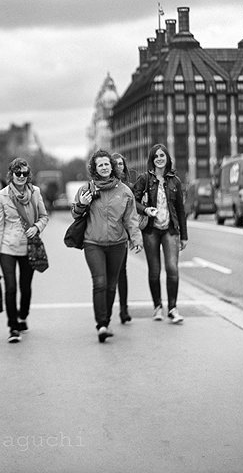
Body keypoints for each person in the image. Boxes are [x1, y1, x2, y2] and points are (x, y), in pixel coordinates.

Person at [72, 149, 142, 343]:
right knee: (100, 282)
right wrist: (81, 204)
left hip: (118, 244)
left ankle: (107, 321)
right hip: (93, 242)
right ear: (94, 168)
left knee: (112, 285)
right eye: (99, 164)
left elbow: (131, 219)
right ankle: (101, 324)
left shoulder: (124, 191)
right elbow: (76, 214)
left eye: (106, 164)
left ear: (112, 166)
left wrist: (136, 238)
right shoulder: (87, 189)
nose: (104, 167)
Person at [0, 158, 49, 343]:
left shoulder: (35, 192)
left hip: (29, 246)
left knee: (25, 287)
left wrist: (37, 227)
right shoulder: (2, 196)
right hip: (7, 247)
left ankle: (23, 316)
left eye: (24, 173)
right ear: (11, 174)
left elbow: (44, 216)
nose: (21, 177)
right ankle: (13, 327)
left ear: (29, 175)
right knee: (11, 287)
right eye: (17, 173)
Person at [132, 143, 188, 324]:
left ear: (167, 158)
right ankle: (157, 306)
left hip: (170, 229)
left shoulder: (175, 181)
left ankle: (172, 308)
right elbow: (133, 201)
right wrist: (145, 210)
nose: (159, 158)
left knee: (172, 269)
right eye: (156, 156)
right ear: (152, 159)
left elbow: (180, 210)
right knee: (154, 271)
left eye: (162, 155)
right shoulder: (144, 179)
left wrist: (184, 235)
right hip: (151, 230)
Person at [111, 152, 136, 324]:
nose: (119, 166)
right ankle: (105, 310)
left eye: (121, 164)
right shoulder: (104, 185)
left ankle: (124, 309)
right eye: (116, 164)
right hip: (104, 236)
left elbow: (133, 211)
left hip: (122, 237)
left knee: (122, 271)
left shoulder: (128, 187)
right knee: (108, 275)